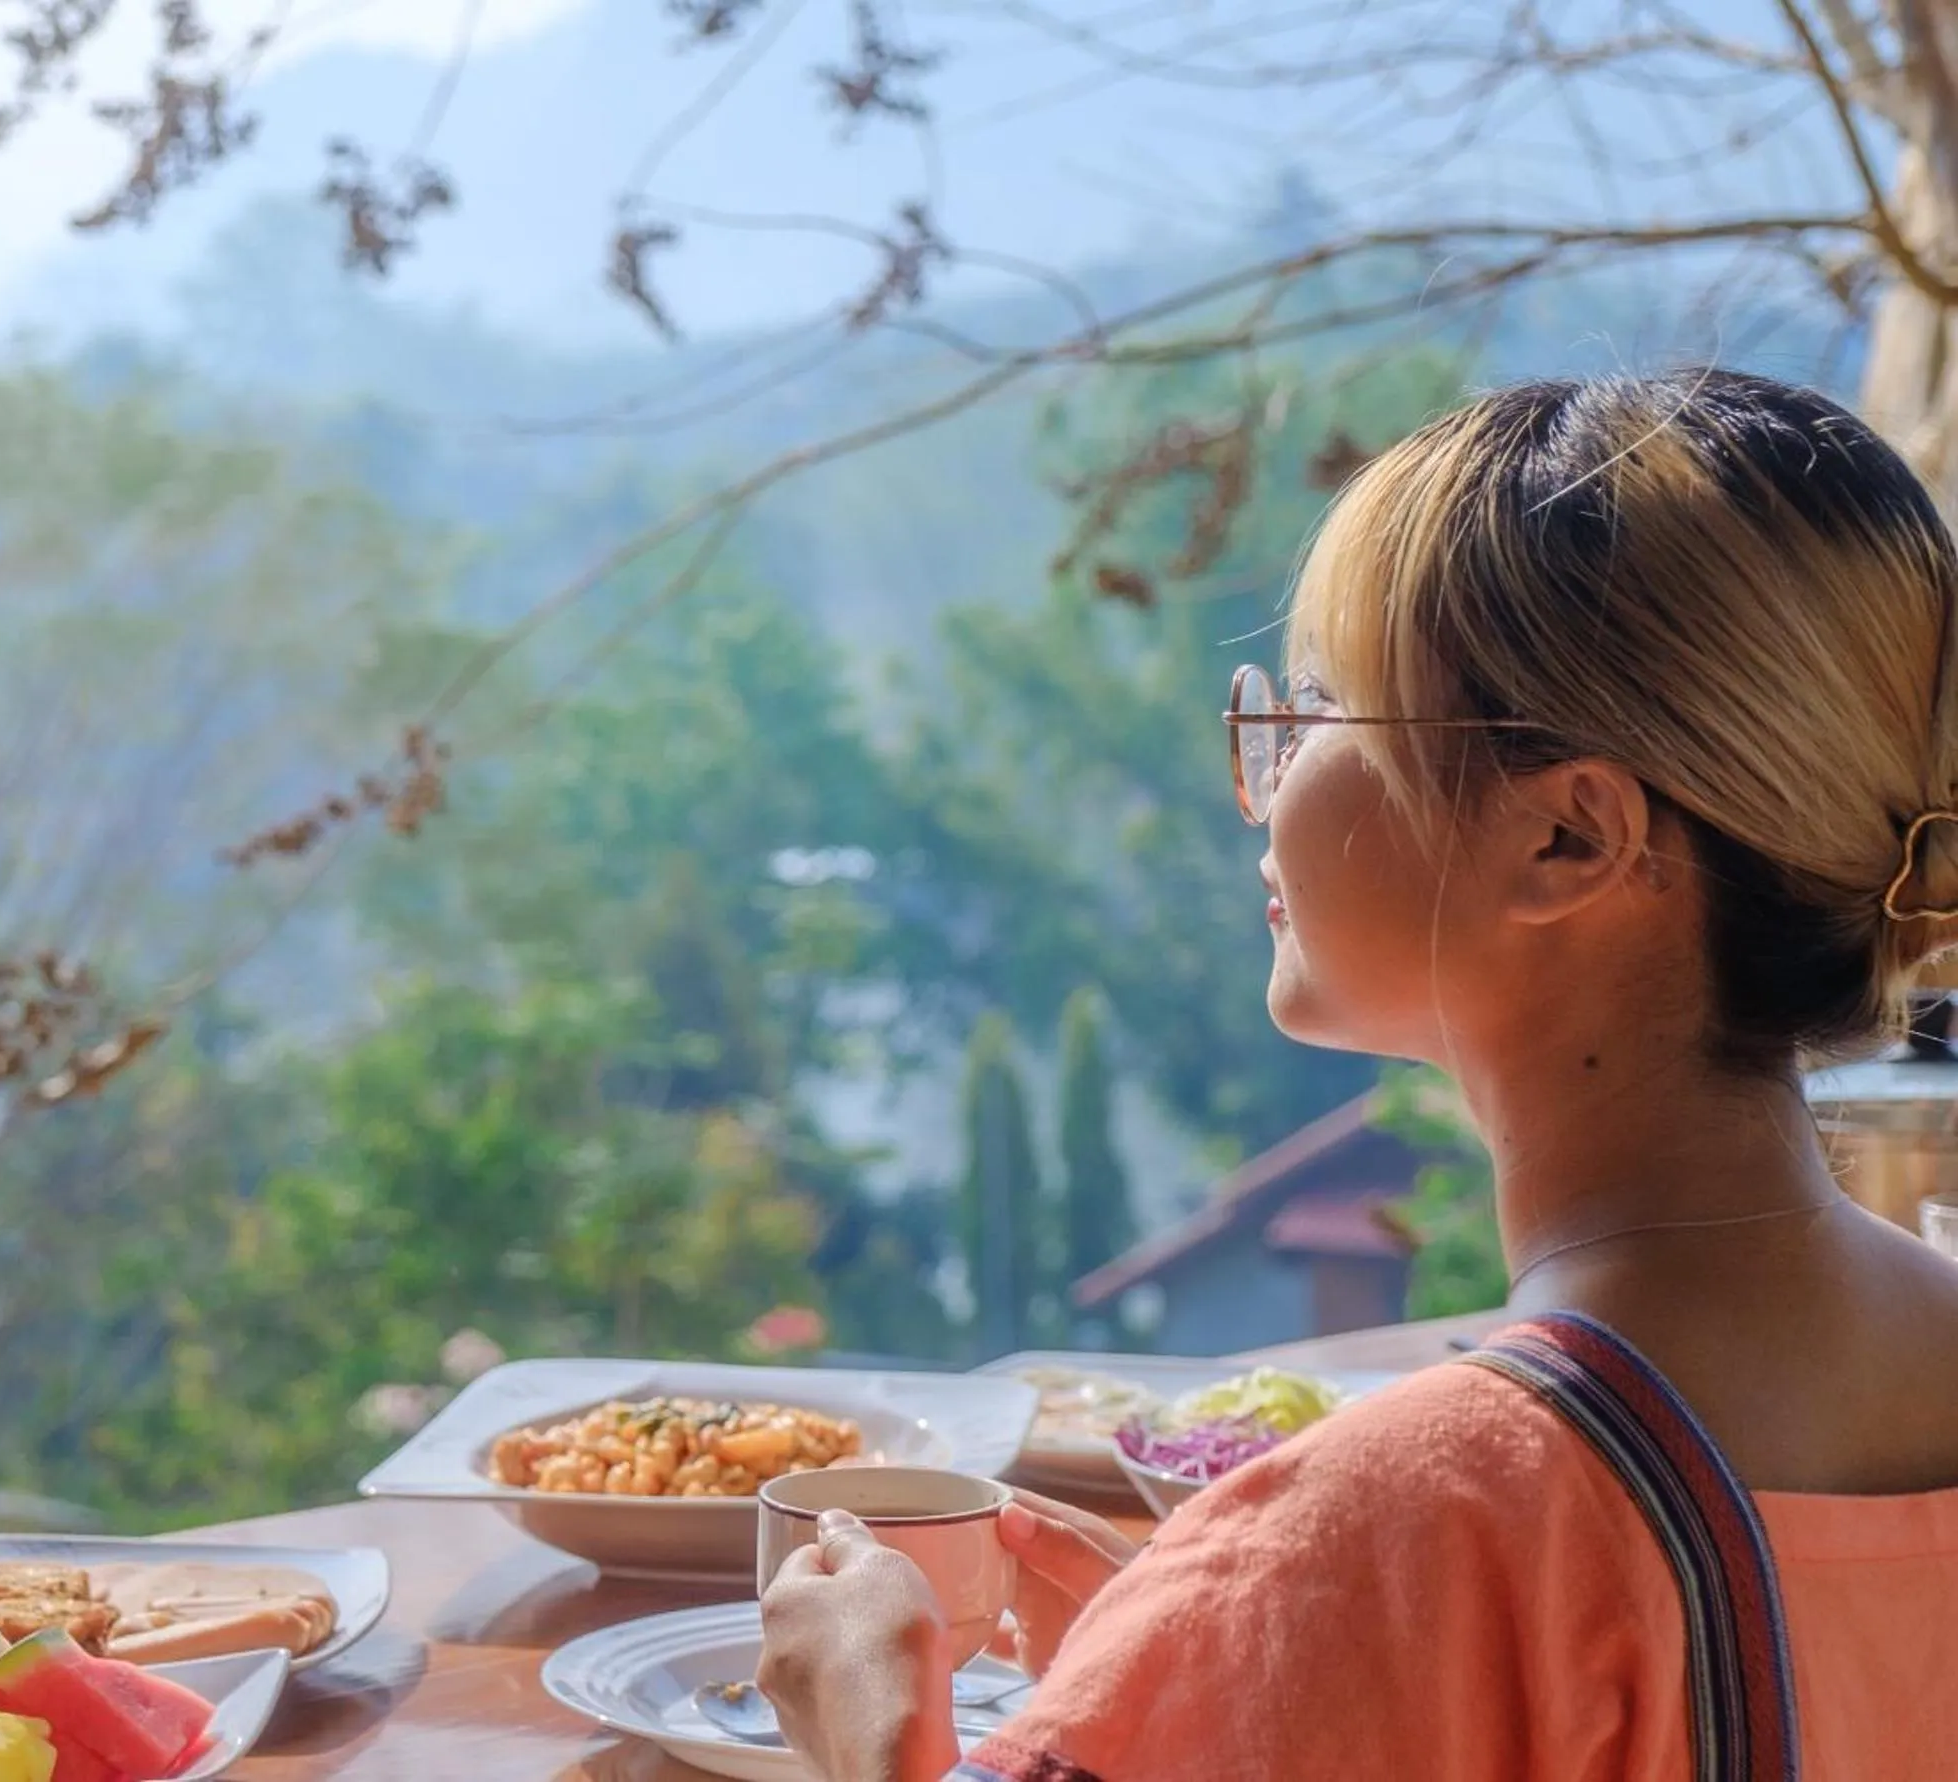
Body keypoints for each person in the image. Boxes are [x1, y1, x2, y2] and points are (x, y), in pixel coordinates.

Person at [755, 369, 1958, 1781]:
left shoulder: (1400, 1527)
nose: (1266, 762)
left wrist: (866, 1718)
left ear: (1567, 837)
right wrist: (1212, 1663)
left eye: (1325, 702)